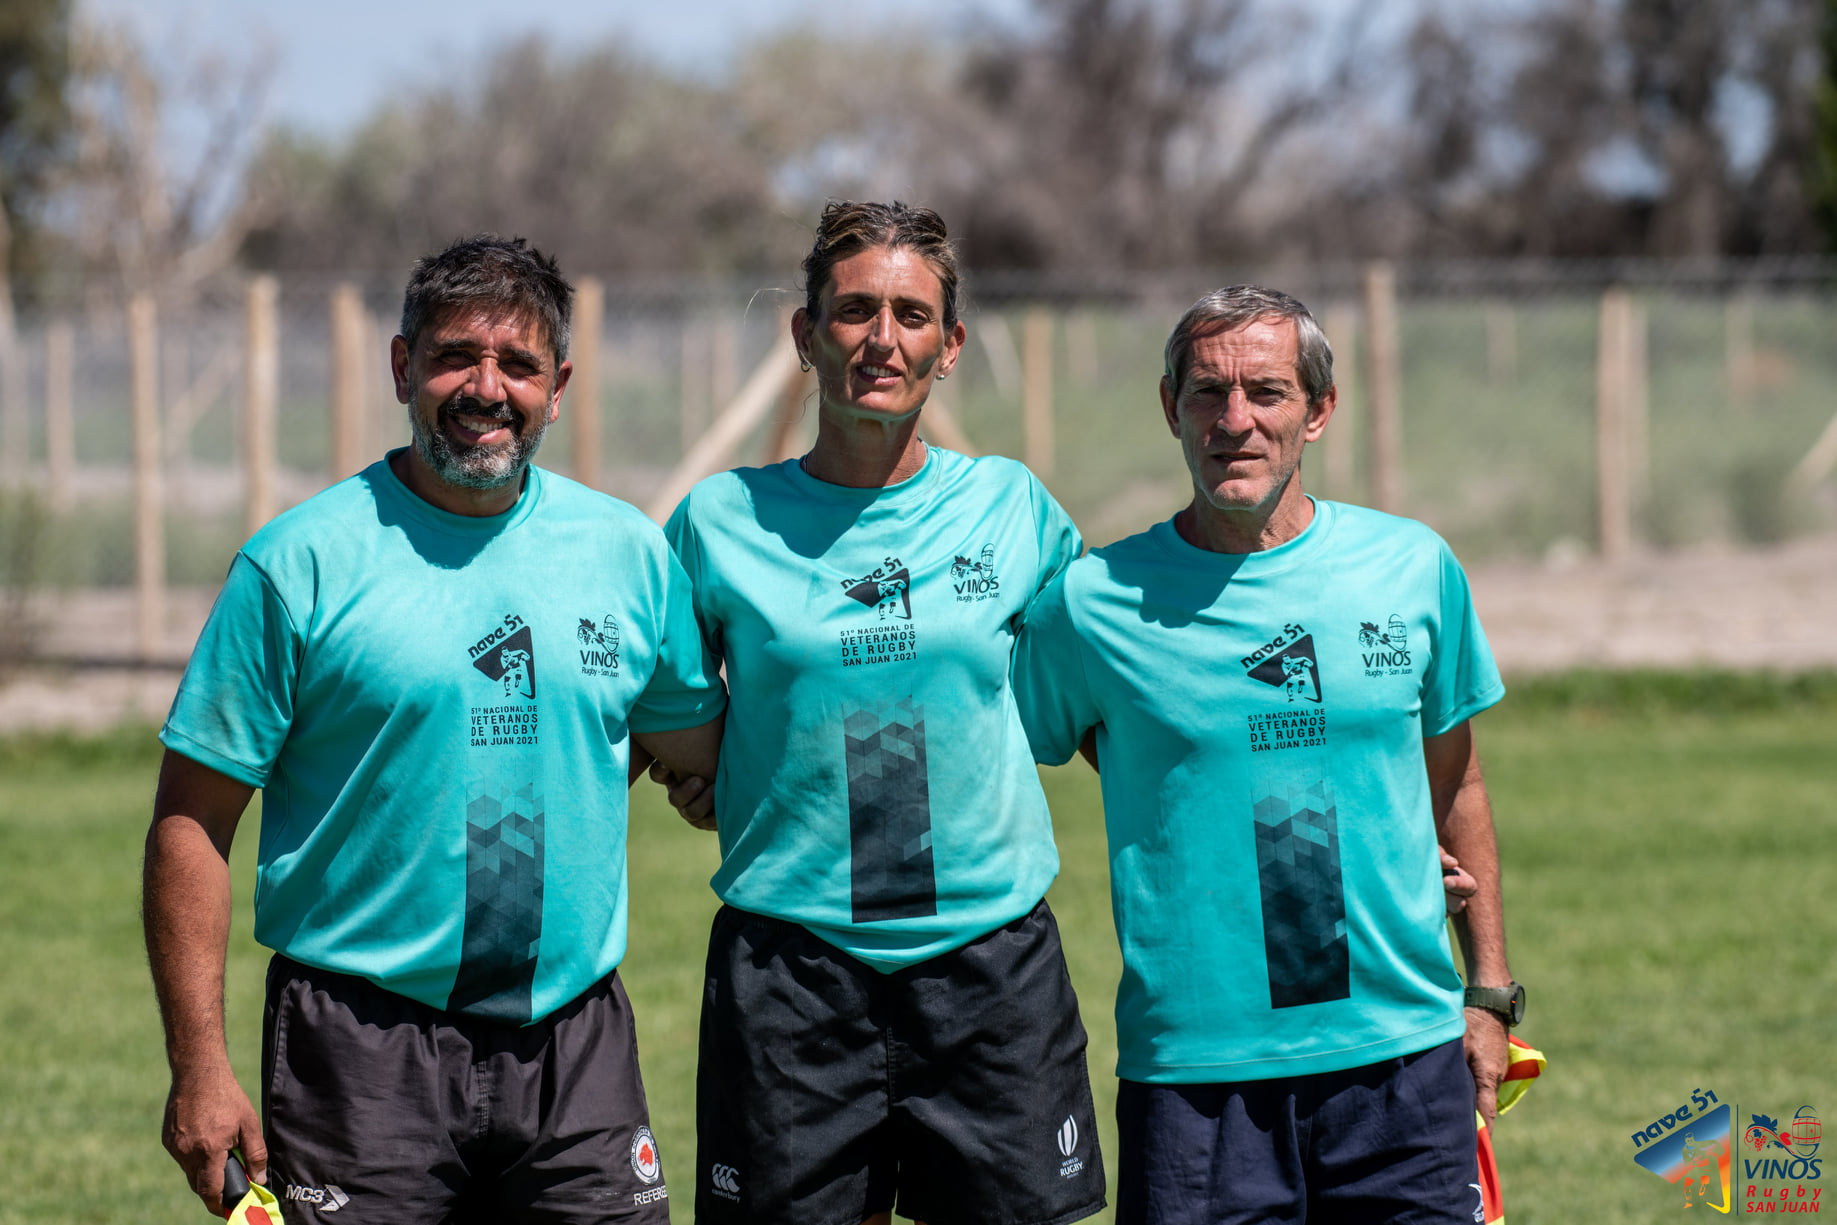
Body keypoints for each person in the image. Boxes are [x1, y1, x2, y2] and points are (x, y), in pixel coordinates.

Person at [143, 235, 726, 1222]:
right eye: (457, 355)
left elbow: (696, 755)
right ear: (403, 364)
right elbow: (190, 821)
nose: (485, 388)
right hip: (360, 1049)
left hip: (573, 1043)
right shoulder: (299, 563)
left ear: (561, 384)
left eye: (519, 365)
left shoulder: (629, 553)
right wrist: (199, 1065)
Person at [1012, 285, 1522, 1224]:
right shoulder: (1091, 602)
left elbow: (1456, 782)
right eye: (1206, 393)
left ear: (1319, 409)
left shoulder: (1412, 568)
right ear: (1170, 409)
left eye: (1266, 392)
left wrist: (1487, 992)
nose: (1233, 421)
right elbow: (1035, 737)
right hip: (1199, 1079)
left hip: (1401, 1061)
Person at [658, 201, 1107, 1225]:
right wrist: (710, 771)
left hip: (988, 966)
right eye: (854, 310)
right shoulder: (718, 523)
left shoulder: (1016, 509)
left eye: (911, 314)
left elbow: (1115, 705)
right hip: (793, 972)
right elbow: (671, 717)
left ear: (949, 347)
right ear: (805, 334)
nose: (881, 337)